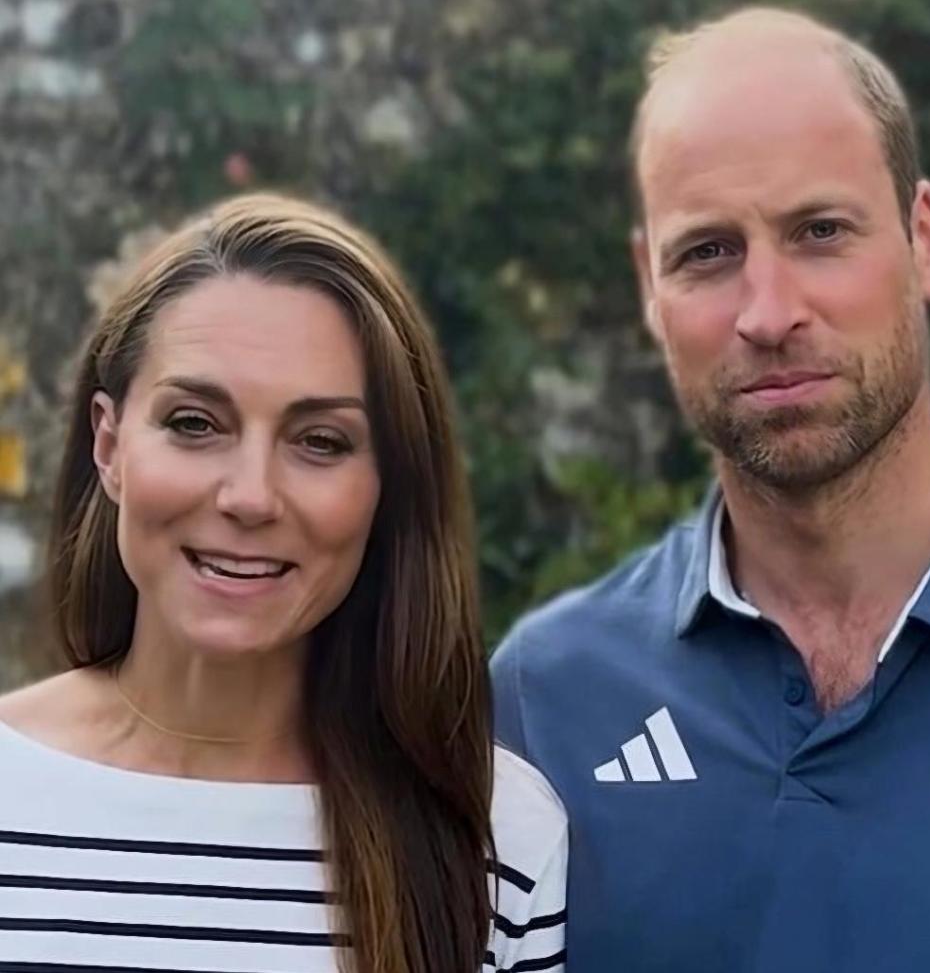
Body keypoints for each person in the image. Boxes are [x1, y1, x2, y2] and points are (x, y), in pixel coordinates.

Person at [491, 6, 930, 973]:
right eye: (708, 252)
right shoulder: (545, 702)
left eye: (820, 231)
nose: (769, 314)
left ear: (926, 237)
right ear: (649, 287)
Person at [0, 193, 566, 973]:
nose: (251, 496)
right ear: (109, 444)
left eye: (320, 441)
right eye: (195, 423)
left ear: (387, 488)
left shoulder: (497, 837)